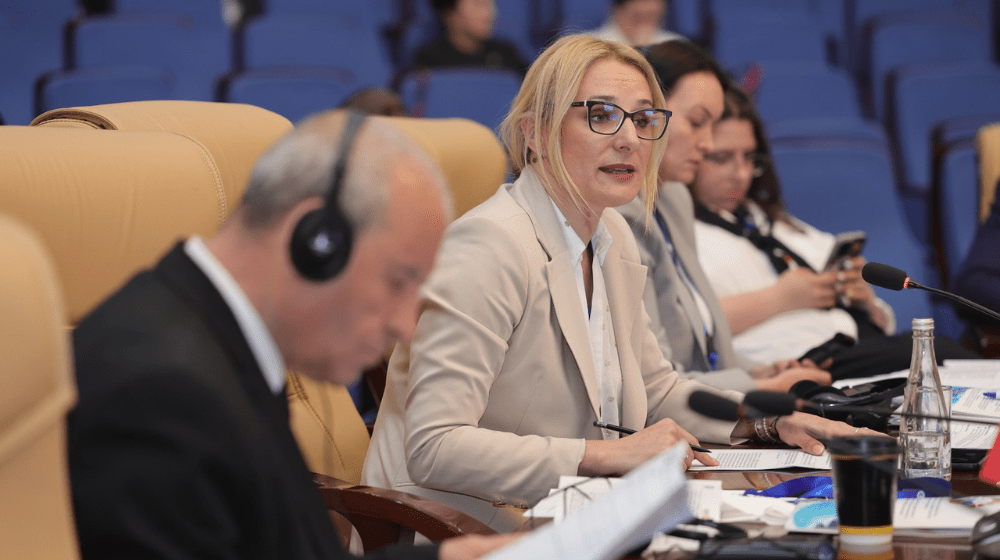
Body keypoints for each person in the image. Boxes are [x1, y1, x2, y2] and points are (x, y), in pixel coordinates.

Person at [362, 34, 868, 533]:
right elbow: (434, 447)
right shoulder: (487, 247)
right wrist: (608, 456)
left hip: (579, 511)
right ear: (535, 133)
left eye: (645, 119)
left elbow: (656, 389)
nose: (629, 138)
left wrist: (770, 426)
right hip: (461, 527)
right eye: (601, 115)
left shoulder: (613, 234)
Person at [67, 110, 517, 560]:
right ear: (317, 241)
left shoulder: (220, 344)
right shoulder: (160, 392)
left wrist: (461, 556)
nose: (406, 326)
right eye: (399, 281)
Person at [689, 86, 976, 379]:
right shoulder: (684, 233)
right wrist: (780, 299)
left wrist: (861, 297)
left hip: (862, 344)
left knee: (957, 363)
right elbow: (688, 329)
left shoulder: (765, 218)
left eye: (749, 157)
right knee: (946, 356)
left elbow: (878, 315)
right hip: (800, 363)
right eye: (721, 158)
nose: (741, 174)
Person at [616, 40, 832, 393]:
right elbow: (655, 382)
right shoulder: (619, 217)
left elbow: (702, 345)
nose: (707, 143)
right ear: (645, 116)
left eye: (712, 125)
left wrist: (761, 372)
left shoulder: (673, 198)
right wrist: (761, 388)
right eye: (698, 122)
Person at [412, 0, 527, 74]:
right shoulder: (430, 59)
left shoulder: (507, 54)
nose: (489, 13)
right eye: (478, 4)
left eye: (490, 4)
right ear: (450, 13)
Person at [588, 0, 685, 47]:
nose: (651, 8)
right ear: (620, 8)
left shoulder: (676, 45)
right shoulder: (591, 43)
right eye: (644, 2)